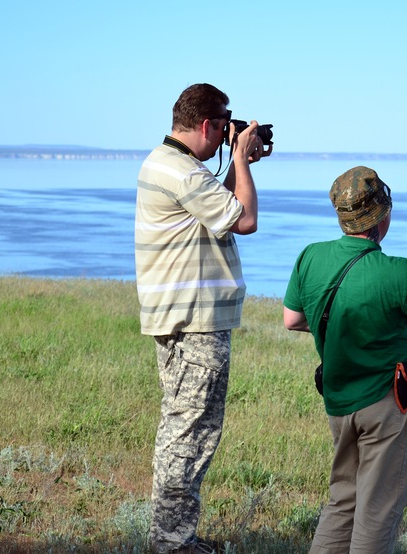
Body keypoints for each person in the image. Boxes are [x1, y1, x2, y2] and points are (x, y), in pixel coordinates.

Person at [283, 166, 407, 554]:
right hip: (386, 406)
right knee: (379, 512)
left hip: (339, 403)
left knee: (343, 501)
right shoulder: (399, 273)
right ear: (383, 217)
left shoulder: (311, 257)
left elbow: (294, 319)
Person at [135, 83, 272, 554]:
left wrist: (239, 163)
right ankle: (173, 543)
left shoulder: (169, 164)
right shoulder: (184, 173)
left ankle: (171, 535)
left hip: (179, 318)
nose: (226, 136)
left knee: (181, 427)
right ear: (209, 125)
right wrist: (238, 158)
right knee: (191, 433)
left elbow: (223, 214)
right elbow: (246, 219)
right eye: (224, 127)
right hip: (195, 323)